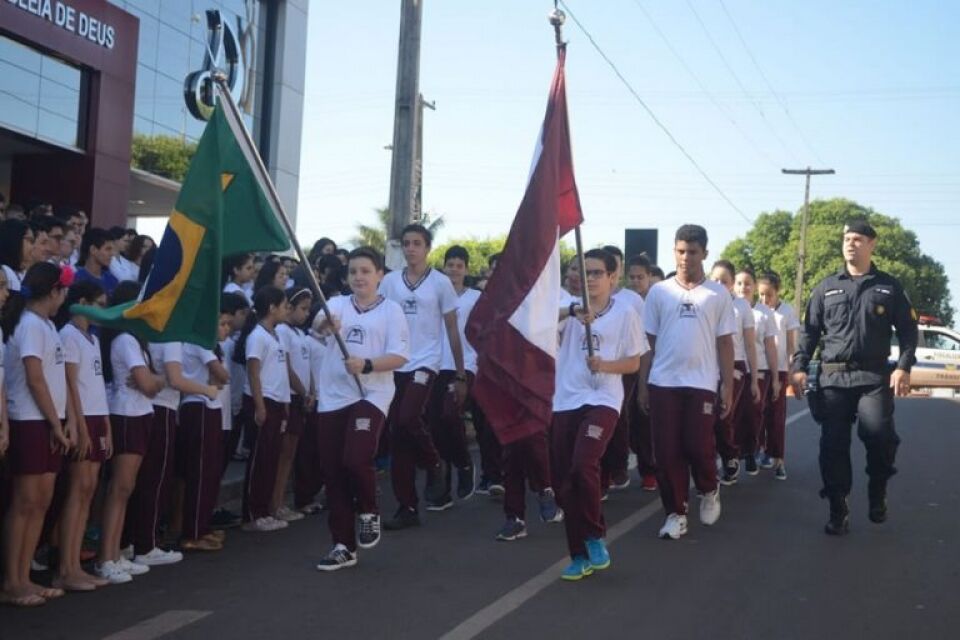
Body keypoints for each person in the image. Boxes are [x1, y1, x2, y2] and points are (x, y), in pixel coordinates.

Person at [791, 220, 917, 535]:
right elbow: (809, 334)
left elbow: (908, 331)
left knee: (878, 436)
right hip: (834, 379)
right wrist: (799, 367)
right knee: (833, 445)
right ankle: (838, 508)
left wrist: (903, 366)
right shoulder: (825, 287)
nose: (850, 243)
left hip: (874, 376)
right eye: (847, 238)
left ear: (872, 244)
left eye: (858, 239)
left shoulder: (888, 286)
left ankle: (877, 489)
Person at [312, 247, 409, 571]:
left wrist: (366, 364)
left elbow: (399, 357)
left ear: (379, 275)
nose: (359, 277)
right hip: (333, 397)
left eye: (365, 271)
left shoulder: (392, 311)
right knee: (333, 472)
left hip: (371, 395)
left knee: (355, 458)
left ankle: (369, 510)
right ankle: (342, 545)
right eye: (353, 271)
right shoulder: (336, 305)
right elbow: (317, 327)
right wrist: (325, 326)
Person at [551, 249, 646, 581]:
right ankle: (578, 555)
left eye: (596, 273)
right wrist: (573, 312)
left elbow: (633, 362)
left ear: (611, 278)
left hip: (603, 399)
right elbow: (533, 325)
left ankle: (594, 535)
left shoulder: (626, 312)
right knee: (564, 482)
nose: (588, 278)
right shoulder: (568, 307)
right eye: (585, 272)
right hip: (565, 400)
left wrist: (604, 365)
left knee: (583, 464)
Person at [640, 225, 736, 540]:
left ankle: (709, 488)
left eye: (692, 252)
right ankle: (675, 514)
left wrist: (727, 386)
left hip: (702, 383)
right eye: (680, 251)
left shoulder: (718, 295)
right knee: (666, 454)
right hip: (663, 382)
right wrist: (642, 384)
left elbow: (725, 344)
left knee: (697, 445)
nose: (685, 258)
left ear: (705, 254)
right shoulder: (659, 292)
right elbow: (648, 343)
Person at [379, 224, 466, 529]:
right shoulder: (389, 282)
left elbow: (453, 329)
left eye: (417, 243)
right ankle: (407, 507)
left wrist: (459, 372)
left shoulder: (440, 283)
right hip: (394, 362)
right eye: (406, 243)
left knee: (407, 418)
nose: (411, 248)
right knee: (397, 436)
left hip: (425, 362)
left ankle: (434, 462)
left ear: (428, 248)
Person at [0, 263, 74, 607]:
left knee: (41, 502)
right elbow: (34, 378)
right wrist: (56, 424)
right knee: (25, 503)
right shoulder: (31, 325)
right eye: (63, 290)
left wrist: (62, 421)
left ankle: (24, 577)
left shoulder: (46, 325)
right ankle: (12, 581)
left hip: (47, 421)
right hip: (30, 419)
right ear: (53, 291)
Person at [96, 281, 164, 584]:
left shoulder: (136, 339)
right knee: (119, 488)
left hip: (139, 412)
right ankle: (106, 557)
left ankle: (116, 552)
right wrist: (155, 380)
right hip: (126, 413)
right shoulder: (125, 339)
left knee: (127, 488)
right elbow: (148, 384)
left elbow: (151, 382)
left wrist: (154, 379)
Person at [56, 281, 112, 591]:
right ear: (82, 303)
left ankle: (76, 564)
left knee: (89, 490)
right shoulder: (69, 335)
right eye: (98, 304)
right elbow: (71, 385)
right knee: (77, 491)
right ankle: (65, 567)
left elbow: (96, 384)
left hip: (96, 416)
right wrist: (78, 423)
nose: (102, 310)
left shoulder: (92, 338)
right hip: (83, 418)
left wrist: (105, 424)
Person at [426, 246, 480, 509]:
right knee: (435, 424)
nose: (454, 269)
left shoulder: (475, 297)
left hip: (464, 364)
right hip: (435, 363)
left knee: (449, 414)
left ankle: (464, 462)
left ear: (466, 269)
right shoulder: (434, 294)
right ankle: (442, 488)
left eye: (459, 265)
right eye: (450, 265)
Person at [235, 285, 291, 532]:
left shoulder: (274, 334)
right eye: (284, 305)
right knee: (259, 459)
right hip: (263, 400)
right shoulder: (257, 336)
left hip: (277, 401)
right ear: (271, 308)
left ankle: (264, 509)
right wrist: (259, 405)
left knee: (270, 458)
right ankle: (251, 514)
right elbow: (254, 371)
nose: (286, 310)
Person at [177, 312, 231, 551]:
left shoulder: (207, 345)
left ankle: (203, 526)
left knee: (209, 472)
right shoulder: (198, 342)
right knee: (199, 472)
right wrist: (216, 379)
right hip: (197, 406)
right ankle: (193, 532)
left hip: (210, 406)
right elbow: (222, 375)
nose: (225, 329)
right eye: (221, 323)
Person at [598, 245, 648, 495]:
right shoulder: (589, 298)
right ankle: (602, 476)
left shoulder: (631, 301)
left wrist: (643, 380)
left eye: (614, 265)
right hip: (596, 370)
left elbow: (642, 342)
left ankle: (618, 466)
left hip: (625, 368)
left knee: (617, 417)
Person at [709, 260, 761, 485]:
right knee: (704, 417)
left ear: (731, 284)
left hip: (736, 366)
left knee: (724, 413)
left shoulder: (741, 307)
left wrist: (754, 379)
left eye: (724, 280)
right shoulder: (704, 302)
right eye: (716, 280)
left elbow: (750, 344)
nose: (719, 284)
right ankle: (707, 465)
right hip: (708, 365)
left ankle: (731, 456)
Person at [272, 287, 314, 523]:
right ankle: (274, 503)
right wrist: (303, 391)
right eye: (302, 308)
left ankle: (280, 502)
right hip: (289, 395)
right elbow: (287, 368)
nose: (306, 314)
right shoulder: (283, 332)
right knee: (283, 454)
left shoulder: (300, 334)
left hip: (301, 396)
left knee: (290, 454)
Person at [733, 269, 780, 476]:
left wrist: (776, 378)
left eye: (748, 283)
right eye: (740, 283)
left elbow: (770, 346)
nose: (744, 287)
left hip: (758, 370)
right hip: (733, 367)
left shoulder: (764, 313)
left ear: (754, 286)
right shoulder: (728, 309)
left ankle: (750, 451)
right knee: (731, 415)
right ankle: (731, 457)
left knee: (754, 414)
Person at [757, 271, 800, 479]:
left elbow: (792, 345)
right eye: (761, 295)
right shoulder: (755, 311)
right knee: (759, 413)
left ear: (777, 292)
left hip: (780, 370)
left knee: (777, 415)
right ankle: (763, 450)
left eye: (769, 295)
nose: (765, 300)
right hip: (759, 369)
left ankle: (779, 460)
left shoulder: (786, 312)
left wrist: (792, 369)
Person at [74, 228, 119, 296]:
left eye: (113, 249)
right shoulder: (77, 278)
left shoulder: (112, 280)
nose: (112, 254)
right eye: (108, 249)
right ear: (93, 250)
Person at [0, 219, 36, 292]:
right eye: (30, 240)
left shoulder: (21, 273)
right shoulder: (4, 272)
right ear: (15, 240)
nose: (34, 247)